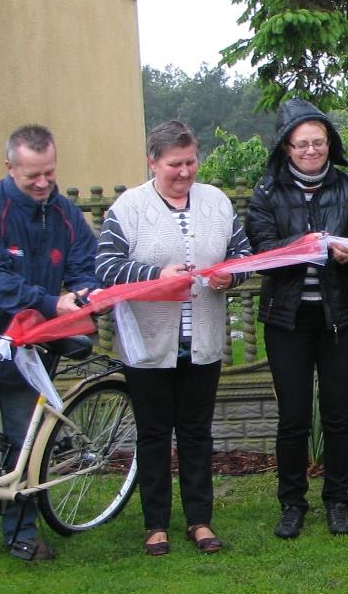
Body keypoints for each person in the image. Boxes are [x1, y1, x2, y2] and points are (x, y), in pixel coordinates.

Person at [0, 124, 98, 569]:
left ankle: (21, 532)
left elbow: (86, 265)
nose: (44, 183)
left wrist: (83, 291)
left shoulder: (65, 214)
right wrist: (53, 301)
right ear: (9, 168)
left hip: (30, 345)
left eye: (50, 173)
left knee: (24, 442)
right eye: (33, 176)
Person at [94, 121, 251, 555]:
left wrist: (229, 276)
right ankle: (156, 523)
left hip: (202, 341)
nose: (185, 172)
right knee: (154, 433)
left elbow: (244, 256)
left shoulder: (217, 202)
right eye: (174, 165)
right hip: (148, 345)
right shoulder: (128, 209)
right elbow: (105, 268)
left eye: (191, 162)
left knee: (198, 433)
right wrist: (154, 276)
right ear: (152, 162)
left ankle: (200, 521)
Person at [245, 99, 348, 538]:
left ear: (329, 142)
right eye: (301, 144)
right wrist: (302, 245)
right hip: (287, 321)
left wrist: (347, 255)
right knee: (294, 417)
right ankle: (291, 504)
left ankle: (338, 502)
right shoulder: (266, 192)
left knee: (338, 414)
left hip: (343, 317)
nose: (310, 150)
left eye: (318, 142)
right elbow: (261, 253)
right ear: (285, 147)